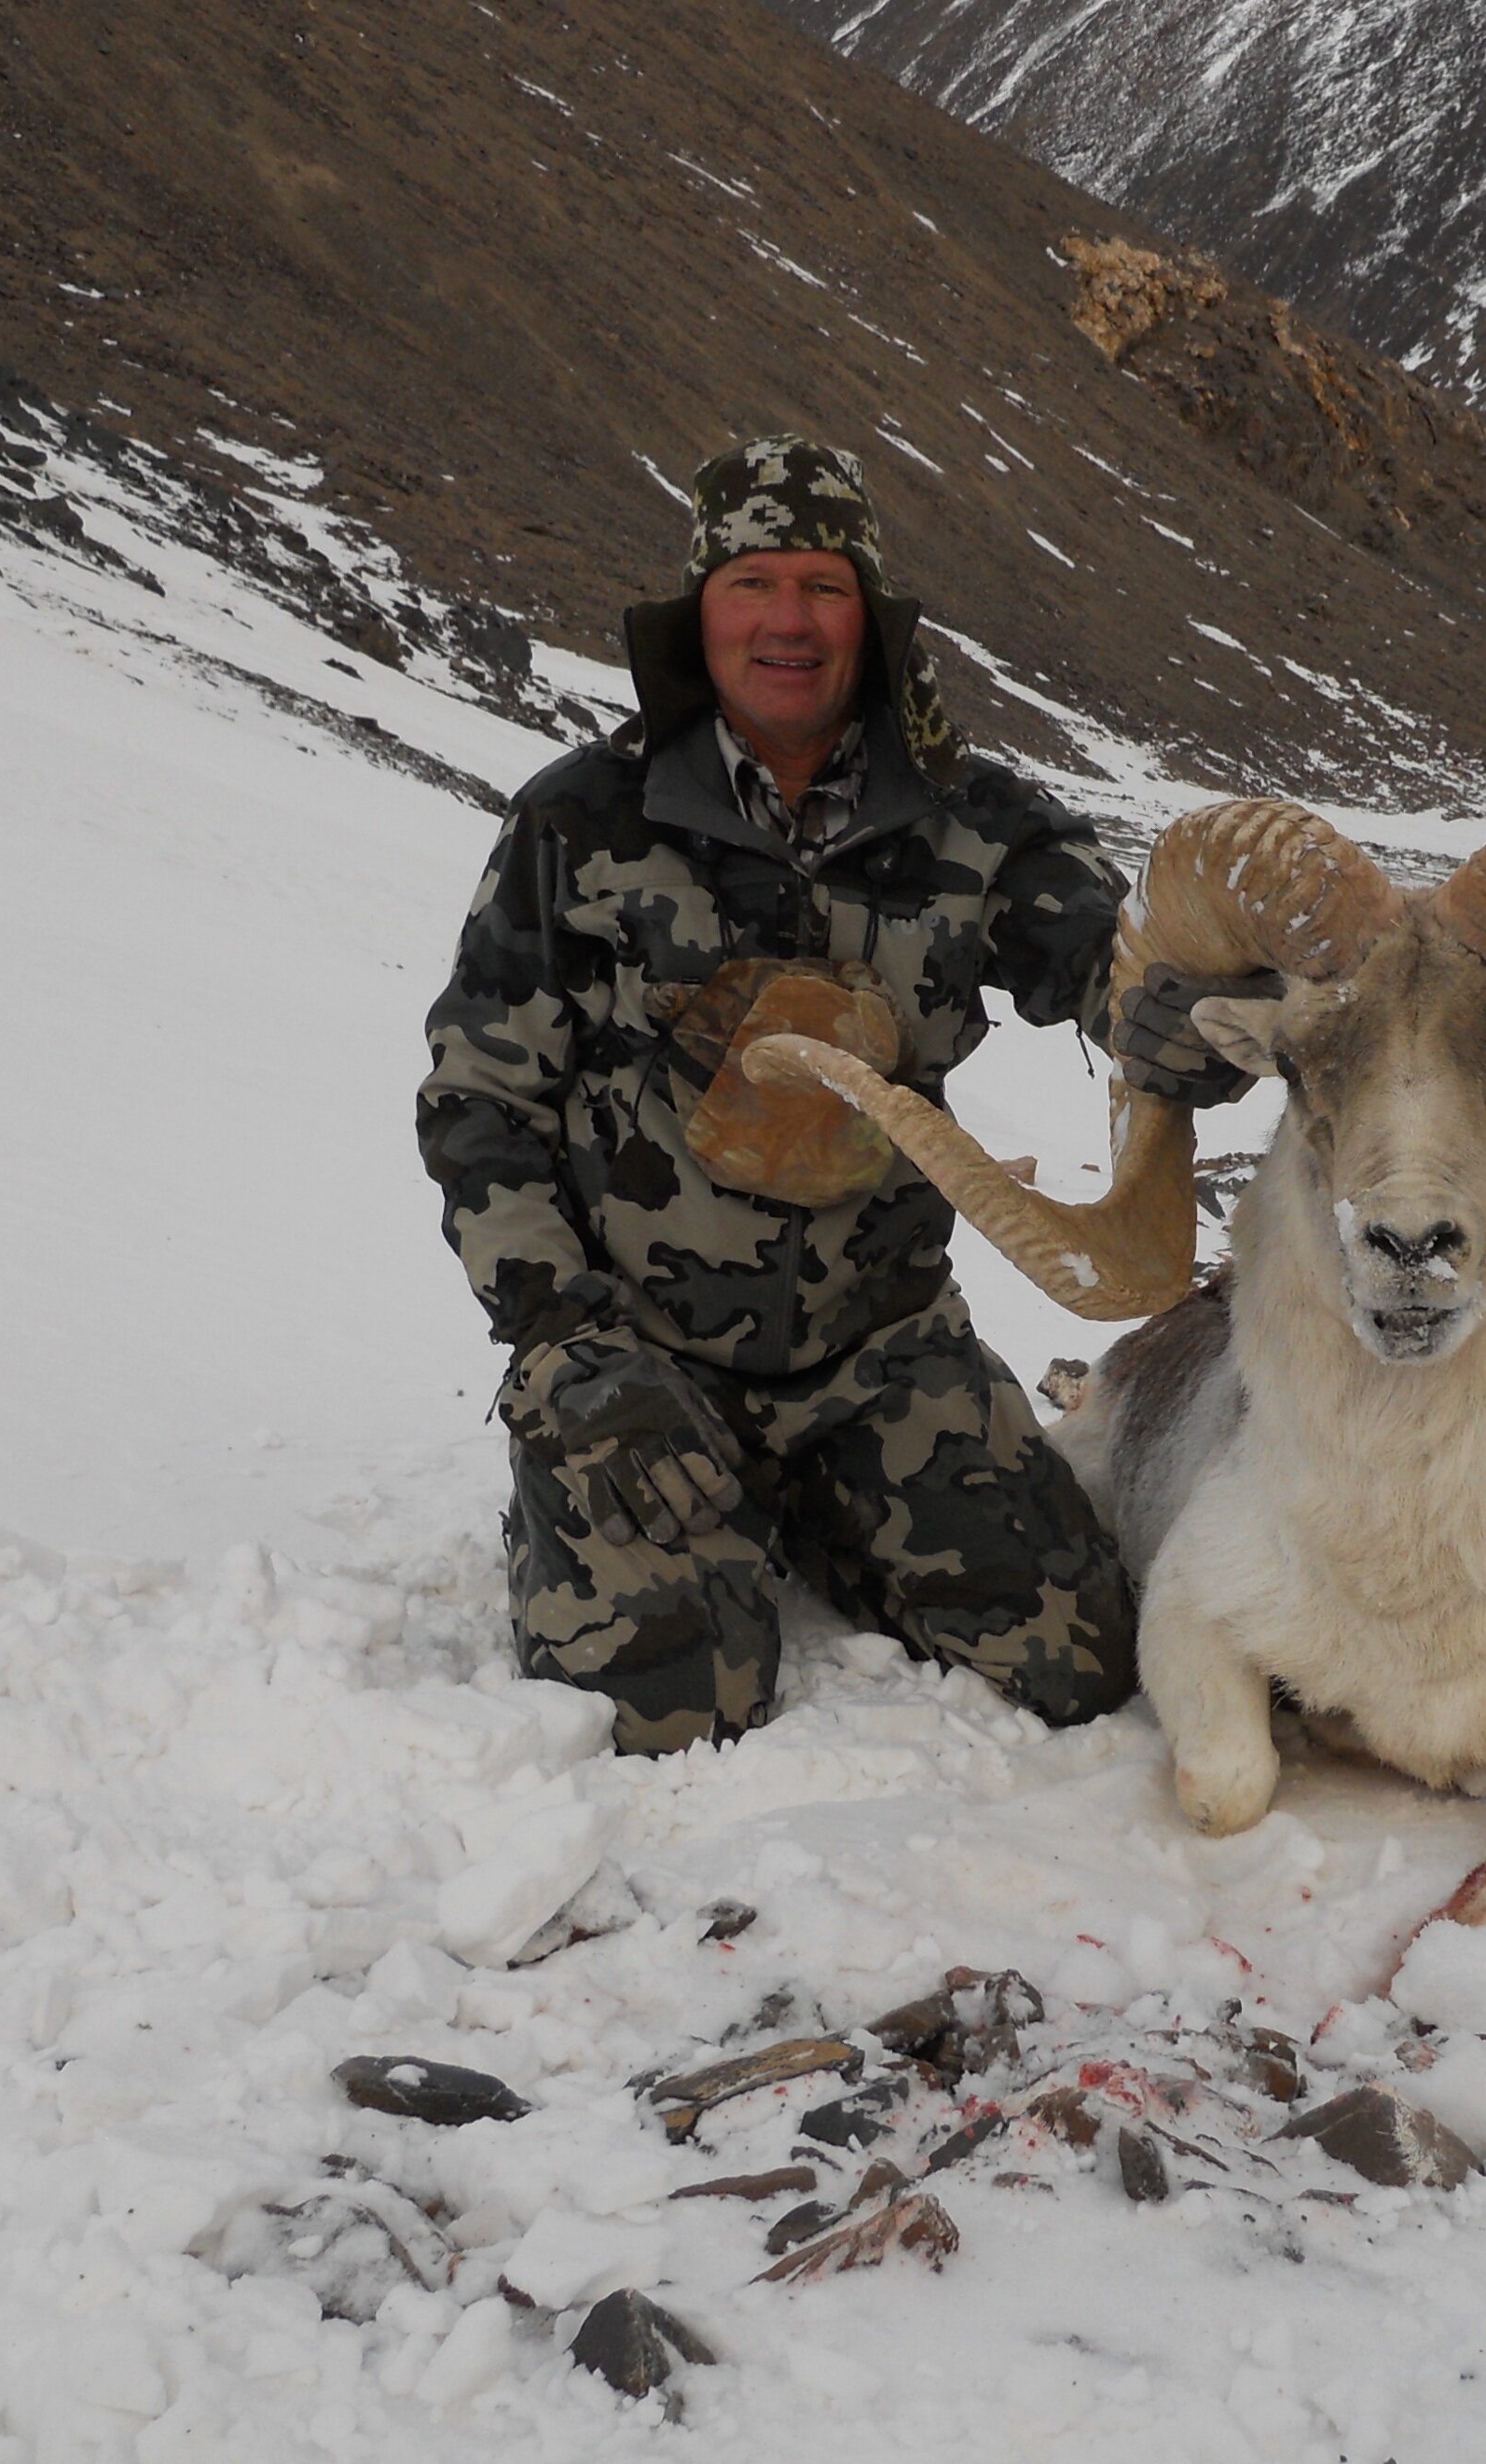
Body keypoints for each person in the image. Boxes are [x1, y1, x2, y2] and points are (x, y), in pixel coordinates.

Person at [417, 434, 1254, 1753]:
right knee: (674, 1710)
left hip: (884, 1352)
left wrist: (1182, 1017)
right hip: (640, 1356)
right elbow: (477, 1100)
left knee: (1081, 1666)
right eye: (753, 584)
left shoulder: (979, 826)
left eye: (823, 585)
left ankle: (818, 1502)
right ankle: (586, 1484)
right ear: (701, 612)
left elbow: (1104, 959)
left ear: (871, 615)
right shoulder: (581, 825)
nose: (788, 622)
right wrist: (567, 1347)